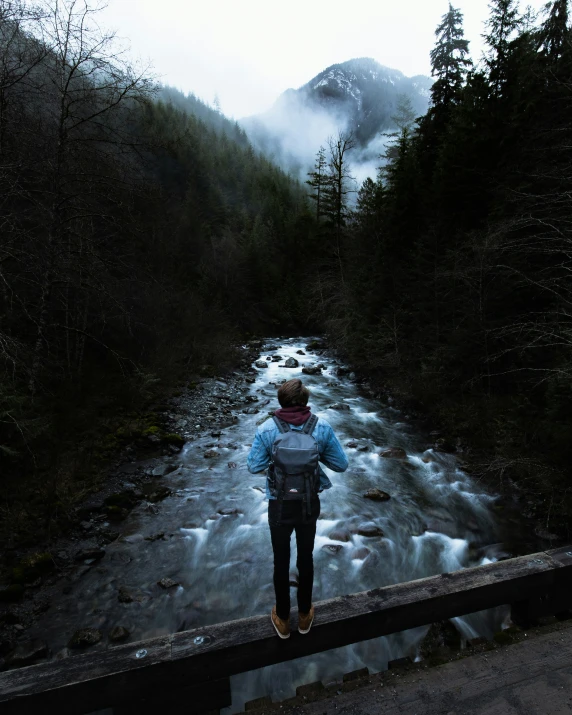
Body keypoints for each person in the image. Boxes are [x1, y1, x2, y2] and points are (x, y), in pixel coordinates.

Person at [247, 377, 349, 639]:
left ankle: (282, 618)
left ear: (280, 401)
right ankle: (304, 615)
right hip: (308, 504)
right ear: (306, 402)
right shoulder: (322, 426)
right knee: (306, 558)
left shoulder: (267, 428)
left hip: (279, 504)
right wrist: (315, 457)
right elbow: (341, 465)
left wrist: (278, 463)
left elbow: (253, 466)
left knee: (280, 561)